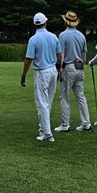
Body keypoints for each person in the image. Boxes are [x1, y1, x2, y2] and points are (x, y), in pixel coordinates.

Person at [20, 12, 63, 142]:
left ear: (35, 25)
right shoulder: (53, 37)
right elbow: (59, 56)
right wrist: (59, 69)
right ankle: (43, 130)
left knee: (42, 103)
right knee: (47, 102)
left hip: (41, 72)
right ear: (45, 23)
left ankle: (48, 133)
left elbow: (28, 59)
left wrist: (23, 75)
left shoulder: (33, 39)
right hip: (52, 70)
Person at [54, 10, 92, 133]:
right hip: (79, 67)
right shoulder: (81, 36)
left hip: (68, 67)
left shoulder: (63, 36)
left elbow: (61, 55)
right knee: (81, 96)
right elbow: (84, 54)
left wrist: (59, 70)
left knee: (64, 96)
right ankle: (86, 123)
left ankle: (65, 125)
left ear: (66, 22)